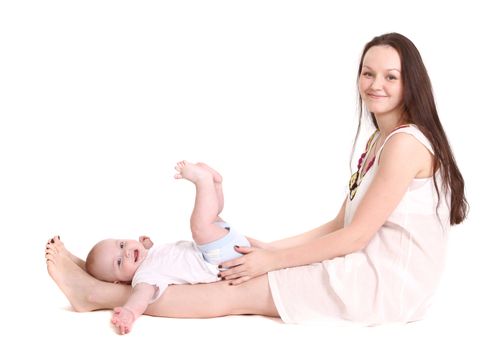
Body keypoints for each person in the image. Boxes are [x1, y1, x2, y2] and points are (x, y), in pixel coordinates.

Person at [45, 32, 468, 326]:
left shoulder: (404, 145)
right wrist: (267, 248)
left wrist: (272, 262)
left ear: (410, 82)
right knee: (240, 265)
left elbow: (355, 238)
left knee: (237, 288)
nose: (375, 84)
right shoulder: (381, 140)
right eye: (368, 72)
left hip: (387, 287)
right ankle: (111, 277)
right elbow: (339, 224)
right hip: (374, 268)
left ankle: (98, 294)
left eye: (390, 76)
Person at [84, 160, 250, 334]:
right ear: (119, 282)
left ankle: (215, 183)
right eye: (118, 262)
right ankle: (204, 181)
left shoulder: (149, 260)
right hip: (215, 261)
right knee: (200, 227)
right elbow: (140, 297)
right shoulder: (143, 278)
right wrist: (130, 312)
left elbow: (165, 261)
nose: (125, 252)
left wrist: (149, 246)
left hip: (218, 248)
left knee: (212, 216)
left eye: (122, 244)